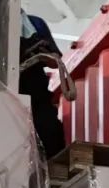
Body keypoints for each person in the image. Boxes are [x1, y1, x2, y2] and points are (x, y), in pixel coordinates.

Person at [18, 11, 74, 160]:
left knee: (51, 136)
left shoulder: (35, 23)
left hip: (37, 94)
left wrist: (42, 55)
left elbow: (56, 60)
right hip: (10, 94)